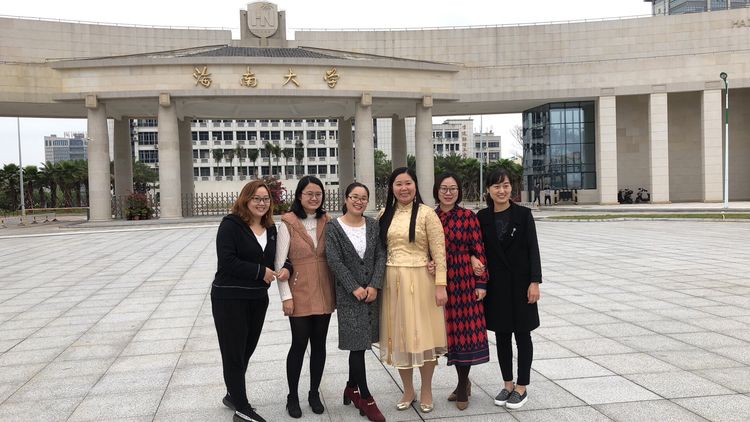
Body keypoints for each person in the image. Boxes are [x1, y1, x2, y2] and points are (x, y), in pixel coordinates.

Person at [212, 180, 292, 422]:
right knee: (234, 354)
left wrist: (287, 268)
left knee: (246, 350)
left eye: (266, 199)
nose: (261, 203)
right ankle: (242, 408)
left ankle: (232, 394)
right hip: (230, 298)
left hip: (257, 298)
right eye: (256, 198)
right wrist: (260, 272)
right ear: (246, 199)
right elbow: (227, 261)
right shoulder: (230, 225)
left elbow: (280, 257)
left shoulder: (270, 228)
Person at [378, 167, 447, 414]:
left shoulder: (428, 214)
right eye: (398, 184)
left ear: (415, 186)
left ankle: (426, 389)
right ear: (392, 188)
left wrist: (441, 285)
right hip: (392, 282)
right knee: (401, 339)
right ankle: (408, 390)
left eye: (408, 183)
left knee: (424, 338)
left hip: (421, 282)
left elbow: (439, 253)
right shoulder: (384, 214)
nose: (403, 188)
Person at [476, 169, 542, 410]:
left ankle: (522, 387)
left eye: (505, 185)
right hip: (497, 287)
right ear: (488, 190)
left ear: (511, 188)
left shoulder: (523, 215)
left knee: (523, 335)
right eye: (496, 186)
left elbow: (533, 249)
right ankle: (507, 384)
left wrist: (535, 282)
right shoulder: (482, 217)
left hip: (522, 285)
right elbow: (476, 248)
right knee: (502, 336)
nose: (501, 190)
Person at [325, 182, 387, 422]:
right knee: (357, 346)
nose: (359, 201)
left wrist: (375, 284)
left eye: (363, 198)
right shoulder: (334, 227)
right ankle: (367, 398)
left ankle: (351, 388)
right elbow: (334, 260)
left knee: (361, 343)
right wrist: (354, 287)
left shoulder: (373, 225)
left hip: (371, 294)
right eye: (354, 197)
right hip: (349, 297)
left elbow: (380, 255)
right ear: (346, 198)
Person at [275, 175, 335, 419]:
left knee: (319, 345)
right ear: (299, 195)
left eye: (318, 194)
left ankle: (313, 393)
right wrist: (286, 297)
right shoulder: (288, 222)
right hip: (298, 292)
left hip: (324, 291)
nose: (314, 198)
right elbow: (280, 263)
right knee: (299, 344)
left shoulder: (327, 221)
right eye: (309, 193)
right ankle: (292, 396)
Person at [432, 173, 490, 411]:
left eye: (453, 188)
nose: (448, 193)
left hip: (464, 279)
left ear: (459, 191)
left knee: (464, 335)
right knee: (446, 334)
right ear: (437, 190)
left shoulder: (468, 217)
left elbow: (479, 249)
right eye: (444, 188)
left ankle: (463, 383)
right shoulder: (430, 216)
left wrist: (481, 283)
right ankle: (461, 382)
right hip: (438, 280)